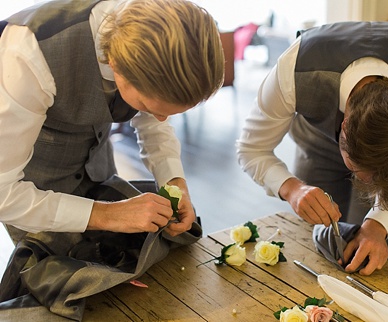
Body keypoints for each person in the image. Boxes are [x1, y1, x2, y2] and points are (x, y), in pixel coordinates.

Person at [237, 21, 388, 276]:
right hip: (316, 138)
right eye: (365, 174)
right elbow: (251, 148)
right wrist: (292, 188)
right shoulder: (294, 68)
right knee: (315, 237)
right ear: (343, 127)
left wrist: (378, 225)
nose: (370, 184)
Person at [0, 0, 224, 241]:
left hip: (100, 172)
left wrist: (175, 181)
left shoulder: (156, 28)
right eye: (147, 106)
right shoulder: (27, 53)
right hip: (34, 195)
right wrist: (108, 214)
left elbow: (153, 121)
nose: (160, 118)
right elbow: (4, 194)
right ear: (115, 64)